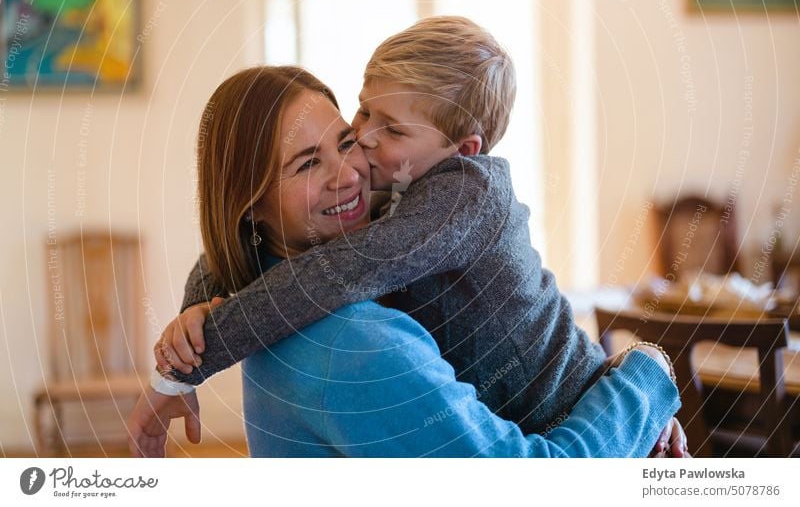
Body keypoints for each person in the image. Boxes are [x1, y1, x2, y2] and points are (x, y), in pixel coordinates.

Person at [128, 65, 683, 458]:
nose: (348, 173)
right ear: (249, 205)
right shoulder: (358, 345)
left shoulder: (280, 284)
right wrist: (646, 378)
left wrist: (195, 334)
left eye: (347, 142)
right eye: (305, 165)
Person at [160, 17, 615, 433]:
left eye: (393, 129)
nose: (363, 137)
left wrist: (195, 357)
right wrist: (197, 309)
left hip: (566, 400)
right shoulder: (398, 174)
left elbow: (340, 272)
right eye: (364, 110)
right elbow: (234, 233)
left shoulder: (463, 196)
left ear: (464, 150)